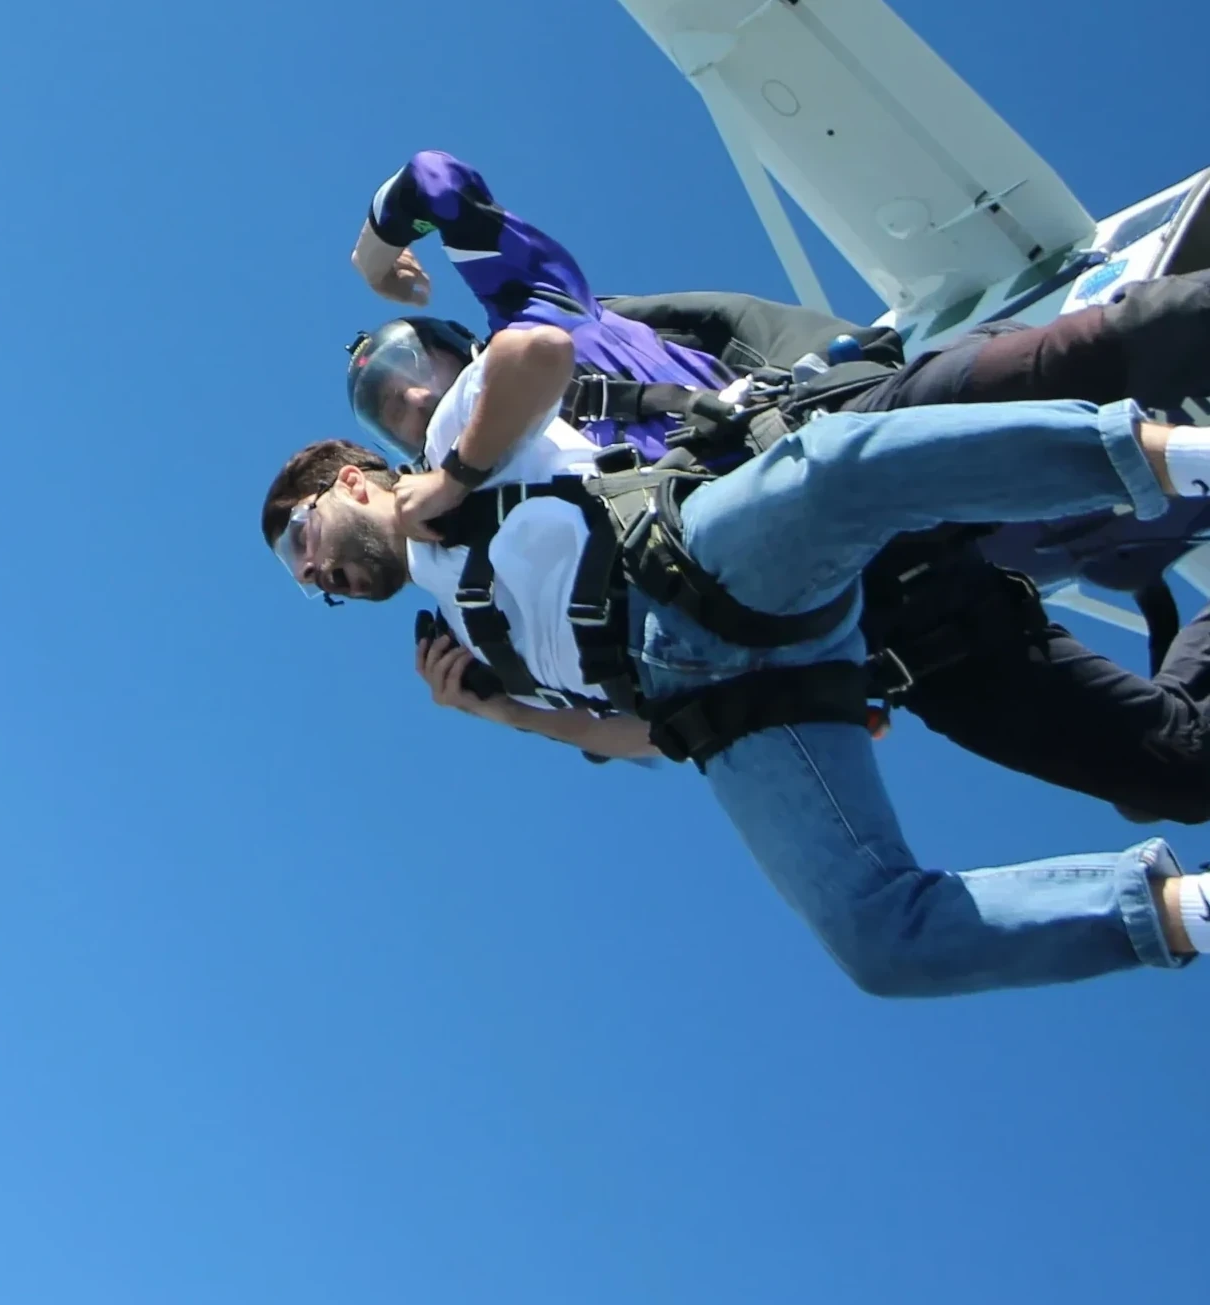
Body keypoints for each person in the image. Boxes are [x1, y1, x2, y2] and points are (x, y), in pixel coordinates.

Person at [261, 324, 1210, 997]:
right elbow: (647, 740)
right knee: (880, 945)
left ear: (350, 481)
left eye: (303, 540)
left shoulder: (446, 444)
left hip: (696, 564)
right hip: (730, 711)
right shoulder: (469, 648)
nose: (319, 575)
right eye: (308, 583)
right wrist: (507, 715)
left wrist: (456, 476)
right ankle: (1182, 912)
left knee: (839, 473)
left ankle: (1178, 455)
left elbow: (535, 351)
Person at [345, 149, 1210, 823]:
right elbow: (668, 723)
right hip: (891, 618)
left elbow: (437, 181)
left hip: (849, 446)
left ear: (458, 344)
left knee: (1134, 342)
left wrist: (376, 249)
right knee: (1173, 767)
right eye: (387, 409)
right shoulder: (495, 570)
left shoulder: (547, 319)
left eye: (407, 364)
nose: (413, 399)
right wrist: (517, 715)